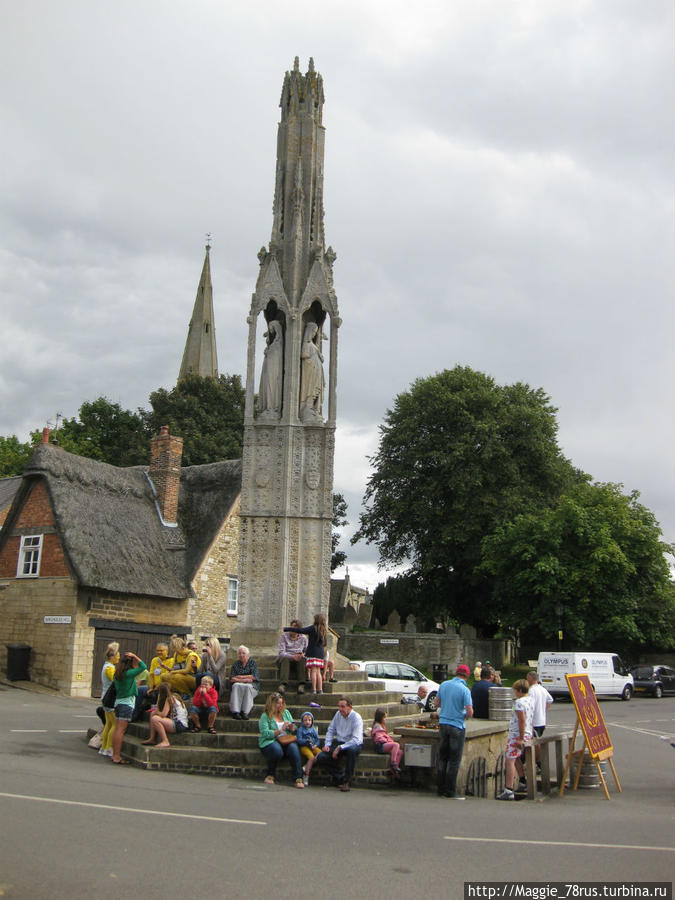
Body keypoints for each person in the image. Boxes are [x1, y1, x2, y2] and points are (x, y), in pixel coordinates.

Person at [435, 663, 473, 799]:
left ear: (456, 673)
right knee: (454, 760)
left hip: (443, 723)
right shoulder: (465, 690)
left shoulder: (444, 684)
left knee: (443, 758)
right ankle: (450, 791)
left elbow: (436, 703)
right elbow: (470, 711)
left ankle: (440, 789)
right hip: (457, 725)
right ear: (467, 676)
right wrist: (463, 715)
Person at [315, 696, 364, 792]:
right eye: (339, 706)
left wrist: (340, 748)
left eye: (343, 707)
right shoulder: (338, 714)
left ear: (350, 707)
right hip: (339, 742)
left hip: (352, 744)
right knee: (321, 757)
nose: (340, 709)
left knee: (351, 751)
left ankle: (347, 781)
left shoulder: (356, 718)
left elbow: (356, 739)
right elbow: (331, 730)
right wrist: (327, 745)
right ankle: (340, 776)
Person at [497, 679, 534, 800]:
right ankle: (522, 780)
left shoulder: (519, 703)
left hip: (517, 735)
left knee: (510, 760)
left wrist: (520, 738)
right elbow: (530, 719)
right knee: (517, 758)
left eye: (515, 690)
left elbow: (521, 720)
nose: (514, 692)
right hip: (528, 732)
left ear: (519, 690)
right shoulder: (531, 700)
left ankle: (509, 789)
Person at [258, 692, 304, 788]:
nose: (280, 705)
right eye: (278, 703)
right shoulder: (265, 716)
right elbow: (265, 733)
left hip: (286, 739)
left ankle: (298, 777)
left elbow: (294, 725)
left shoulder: (286, 712)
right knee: (276, 750)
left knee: (294, 749)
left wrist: (292, 727)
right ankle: (270, 775)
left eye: (281, 703)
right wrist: (279, 730)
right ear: (272, 704)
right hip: (271, 740)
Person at [111, 651, 147, 764]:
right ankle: (116, 756)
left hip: (118, 702)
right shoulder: (129, 673)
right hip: (127, 703)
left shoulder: (117, 673)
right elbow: (143, 666)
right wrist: (135, 656)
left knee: (117, 729)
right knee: (121, 731)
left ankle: (114, 754)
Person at [284, 614, 327, 695]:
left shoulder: (313, 628)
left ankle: (314, 689)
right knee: (318, 672)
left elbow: (301, 630)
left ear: (316, 620)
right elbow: (325, 644)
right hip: (320, 653)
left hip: (313, 652)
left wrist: (286, 629)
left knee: (313, 672)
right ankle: (320, 689)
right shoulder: (324, 630)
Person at [142, 682, 189, 748]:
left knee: (155, 718)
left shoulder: (169, 699)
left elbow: (163, 714)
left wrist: (158, 701)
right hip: (179, 723)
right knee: (153, 714)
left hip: (179, 724)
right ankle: (152, 738)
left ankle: (165, 741)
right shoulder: (175, 695)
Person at [526, 671, 553, 765]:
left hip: (535, 721)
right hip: (542, 720)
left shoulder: (531, 690)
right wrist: (543, 709)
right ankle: (537, 762)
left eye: (527, 678)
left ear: (530, 678)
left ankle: (539, 762)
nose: (526, 680)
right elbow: (550, 699)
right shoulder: (542, 689)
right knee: (536, 741)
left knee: (534, 742)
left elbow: (529, 705)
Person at [299, 321, 325, 420]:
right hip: (310, 370)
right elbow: (304, 355)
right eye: (313, 332)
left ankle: (313, 408)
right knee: (310, 389)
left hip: (316, 371)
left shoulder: (313, 345)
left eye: (315, 332)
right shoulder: (307, 344)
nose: (314, 334)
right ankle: (307, 407)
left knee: (316, 388)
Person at [259, 319, 284, 415]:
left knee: (272, 386)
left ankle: (272, 407)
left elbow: (275, 358)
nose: (270, 333)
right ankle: (268, 407)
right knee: (268, 385)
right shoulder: (274, 345)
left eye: (271, 330)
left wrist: (268, 353)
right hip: (269, 370)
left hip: (274, 371)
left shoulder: (278, 344)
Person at [99, 642, 119, 758]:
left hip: (104, 697)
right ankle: (108, 748)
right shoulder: (110, 668)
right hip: (110, 698)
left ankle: (103, 747)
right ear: (112, 657)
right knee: (114, 725)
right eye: (117, 656)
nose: (118, 659)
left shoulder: (106, 666)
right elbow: (115, 681)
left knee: (108, 724)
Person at [277, 619, 308, 695]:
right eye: (291, 626)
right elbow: (281, 652)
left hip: (298, 658)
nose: (292, 629)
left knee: (303, 659)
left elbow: (307, 651)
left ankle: (301, 684)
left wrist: (302, 655)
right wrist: (292, 656)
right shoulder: (283, 636)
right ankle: (283, 684)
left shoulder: (304, 638)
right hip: (287, 657)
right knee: (285, 658)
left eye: (294, 627)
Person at [229, 645, 260, 719]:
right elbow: (232, 678)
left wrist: (240, 677)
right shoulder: (236, 664)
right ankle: (235, 711)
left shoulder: (253, 663)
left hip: (252, 686)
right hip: (239, 685)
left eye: (243, 653)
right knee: (235, 685)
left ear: (247, 654)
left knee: (247, 686)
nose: (241, 655)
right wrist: (246, 679)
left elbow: (254, 677)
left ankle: (245, 712)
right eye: (239, 653)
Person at [371, 708, 402, 778]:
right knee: (396, 745)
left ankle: (393, 769)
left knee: (400, 752)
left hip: (384, 745)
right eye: (384, 717)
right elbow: (380, 738)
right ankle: (393, 763)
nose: (385, 719)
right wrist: (389, 741)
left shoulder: (382, 726)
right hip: (380, 746)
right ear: (380, 718)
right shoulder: (377, 727)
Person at [296, 710, 321, 785]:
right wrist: (305, 741)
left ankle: (306, 767)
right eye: (305, 720)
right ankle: (306, 775)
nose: (307, 722)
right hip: (305, 747)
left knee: (321, 754)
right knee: (311, 757)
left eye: (309, 720)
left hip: (313, 746)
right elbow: (299, 740)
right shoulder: (300, 730)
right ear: (302, 721)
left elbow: (317, 739)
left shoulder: (313, 729)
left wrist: (316, 745)